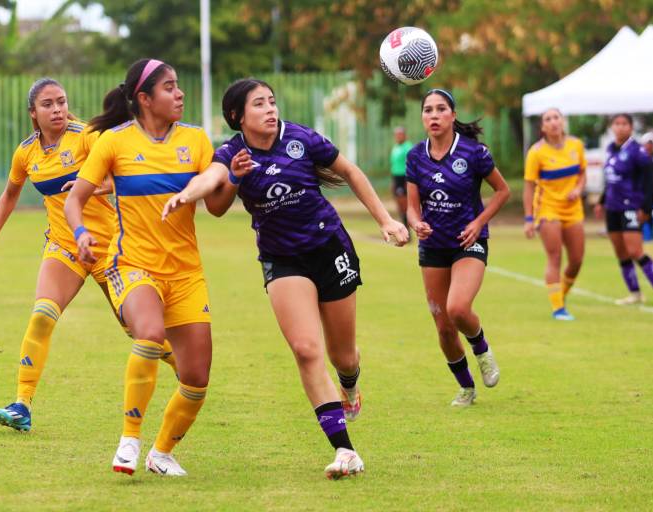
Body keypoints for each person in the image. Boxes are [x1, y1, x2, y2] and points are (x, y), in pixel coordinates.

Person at [162, 78, 408, 479]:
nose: (270, 109)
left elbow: (349, 171)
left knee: (342, 356)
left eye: (272, 101)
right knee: (307, 350)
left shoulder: (301, 138)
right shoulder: (232, 152)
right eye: (259, 104)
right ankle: (345, 451)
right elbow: (215, 197)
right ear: (237, 116)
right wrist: (194, 192)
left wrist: (385, 220)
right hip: (282, 261)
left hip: (330, 249)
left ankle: (349, 384)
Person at [0, 78, 175, 433]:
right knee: (41, 315)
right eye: (48, 105)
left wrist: (98, 185)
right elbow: (10, 194)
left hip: (110, 248)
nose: (58, 110)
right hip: (65, 247)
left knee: (140, 332)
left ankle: (189, 371)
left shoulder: (87, 136)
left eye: (62, 102)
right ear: (33, 113)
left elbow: (130, 171)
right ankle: (22, 404)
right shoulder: (26, 152)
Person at [64, 58, 214, 477]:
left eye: (179, 86)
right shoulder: (114, 142)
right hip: (132, 264)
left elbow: (217, 208)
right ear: (145, 99)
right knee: (149, 333)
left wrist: (228, 178)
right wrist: (79, 235)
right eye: (170, 88)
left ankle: (161, 453)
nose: (180, 93)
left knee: (196, 379)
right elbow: (75, 199)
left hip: (186, 274)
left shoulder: (197, 140)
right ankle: (130, 438)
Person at [406, 89, 509, 407]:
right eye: (427, 110)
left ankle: (482, 349)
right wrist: (416, 223)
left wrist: (479, 223)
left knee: (458, 308)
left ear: (452, 115)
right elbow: (412, 207)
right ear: (422, 117)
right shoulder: (415, 156)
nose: (433, 115)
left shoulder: (474, 152)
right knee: (444, 327)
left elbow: (502, 191)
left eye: (440, 109)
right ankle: (466, 387)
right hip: (433, 247)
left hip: (468, 242)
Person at [523, 108, 587, 320]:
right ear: (543, 127)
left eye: (556, 117)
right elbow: (529, 187)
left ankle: (560, 296)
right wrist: (529, 218)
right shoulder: (536, 152)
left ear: (563, 121)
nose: (553, 122)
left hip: (573, 209)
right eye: (547, 119)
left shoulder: (576, 145)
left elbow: (582, 174)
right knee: (555, 256)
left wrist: (578, 189)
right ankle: (558, 308)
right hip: (548, 208)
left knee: (577, 260)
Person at [594, 115, 653, 305]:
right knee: (621, 252)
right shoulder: (610, 149)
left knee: (635, 250)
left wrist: (646, 207)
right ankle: (635, 293)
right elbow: (611, 179)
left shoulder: (637, 151)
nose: (620, 127)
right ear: (611, 127)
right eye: (617, 124)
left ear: (631, 128)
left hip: (630, 206)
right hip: (613, 207)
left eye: (624, 124)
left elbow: (651, 180)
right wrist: (601, 201)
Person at [390, 126, 413, 229]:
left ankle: (407, 229)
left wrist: (407, 181)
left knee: (405, 204)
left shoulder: (408, 147)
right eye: (396, 135)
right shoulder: (395, 147)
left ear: (404, 135)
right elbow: (394, 164)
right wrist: (393, 182)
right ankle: (405, 227)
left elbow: (411, 164)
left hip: (404, 177)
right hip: (396, 178)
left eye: (400, 134)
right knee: (399, 205)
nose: (398, 136)